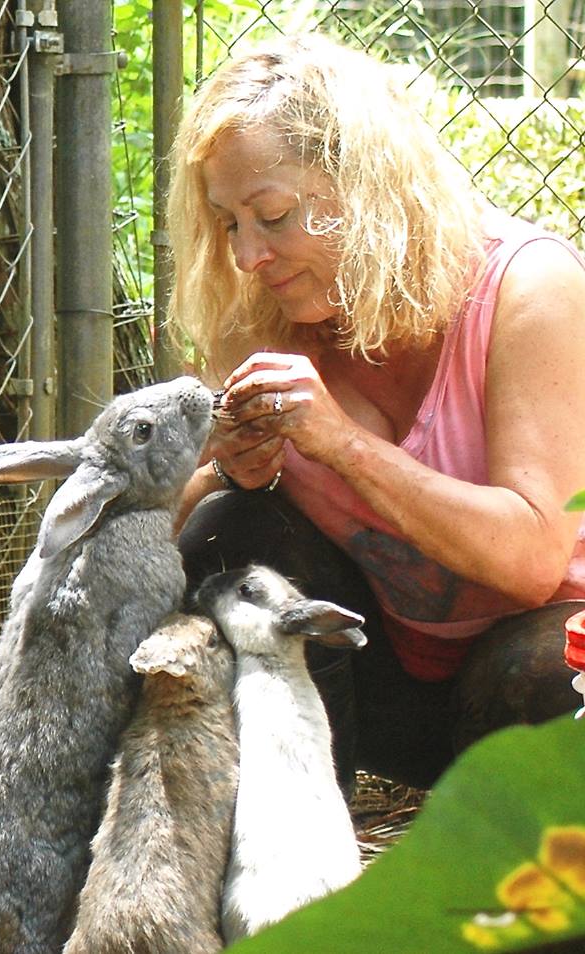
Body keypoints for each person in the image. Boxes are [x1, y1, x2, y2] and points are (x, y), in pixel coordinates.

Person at [168, 32, 585, 790]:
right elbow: (160, 542)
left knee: (552, 666)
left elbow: (531, 563)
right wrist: (220, 471)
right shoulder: (259, 310)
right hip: (390, 681)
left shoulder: (531, 285)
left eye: (273, 214)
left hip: (536, 688)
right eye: (230, 222)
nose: (247, 256)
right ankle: (301, 869)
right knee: (231, 531)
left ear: (366, 188)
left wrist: (342, 447)